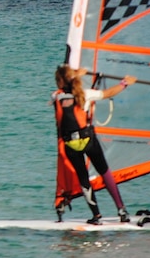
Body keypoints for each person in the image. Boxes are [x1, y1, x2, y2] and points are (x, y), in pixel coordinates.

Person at [51, 64, 138, 225]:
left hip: (70, 145)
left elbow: (66, 84)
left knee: (84, 179)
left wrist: (77, 74)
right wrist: (125, 83)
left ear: (60, 82)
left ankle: (96, 216)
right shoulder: (86, 94)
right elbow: (108, 93)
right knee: (104, 172)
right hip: (88, 141)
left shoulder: (56, 97)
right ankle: (121, 210)